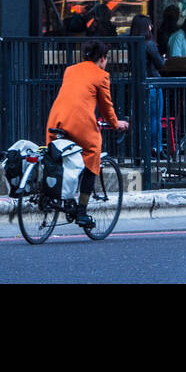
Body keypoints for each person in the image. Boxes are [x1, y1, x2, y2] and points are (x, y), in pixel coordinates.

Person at [45, 41, 129, 228]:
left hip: (56, 120)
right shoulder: (101, 76)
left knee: (61, 156)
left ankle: (62, 199)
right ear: (102, 59)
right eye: (106, 59)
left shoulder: (70, 70)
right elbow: (106, 107)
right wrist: (116, 124)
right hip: (79, 123)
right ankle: (82, 211)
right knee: (92, 154)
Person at [129, 15, 167, 155]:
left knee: (140, 119)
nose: (152, 27)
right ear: (147, 27)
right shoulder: (149, 43)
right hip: (152, 85)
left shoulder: (132, 43)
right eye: (150, 25)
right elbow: (160, 64)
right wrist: (163, 58)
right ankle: (156, 148)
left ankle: (140, 148)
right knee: (155, 119)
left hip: (138, 85)